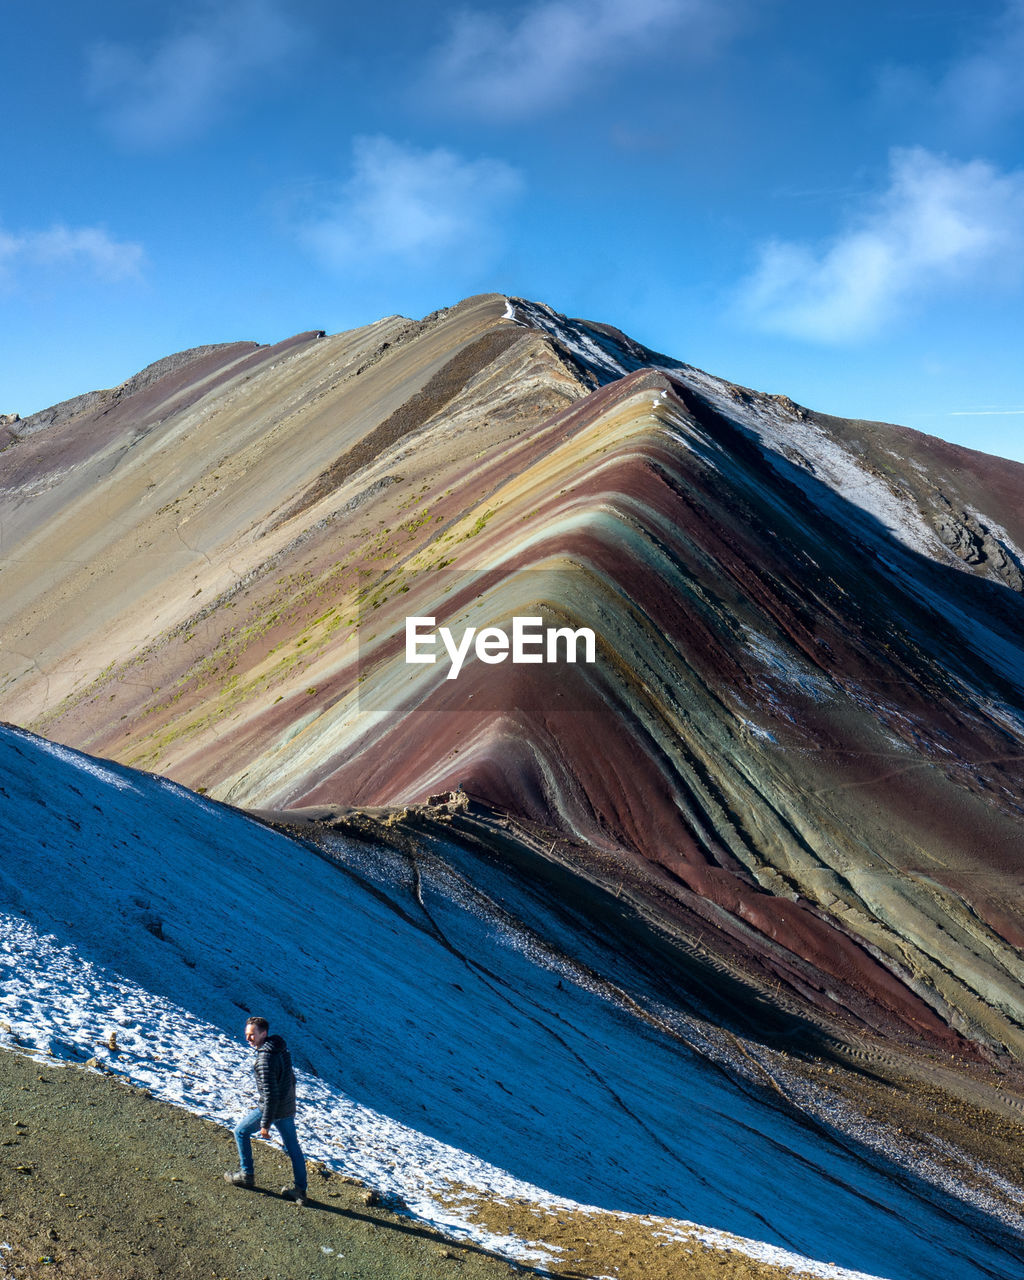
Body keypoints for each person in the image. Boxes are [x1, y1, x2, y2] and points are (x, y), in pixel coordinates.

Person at [224, 1016, 308, 1205]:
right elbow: (289, 1080)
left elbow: (270, 1095)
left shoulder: (264, 1060)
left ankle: (247, 1175)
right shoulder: (280, 1048)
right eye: (247, 1034)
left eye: (252, 1035)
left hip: (272, 1108)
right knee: (294, 1148)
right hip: (286, 1107)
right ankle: (300, 1191)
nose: (248, 1038)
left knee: (240, 1131)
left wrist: (265, 1125)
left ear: (263, 1033)